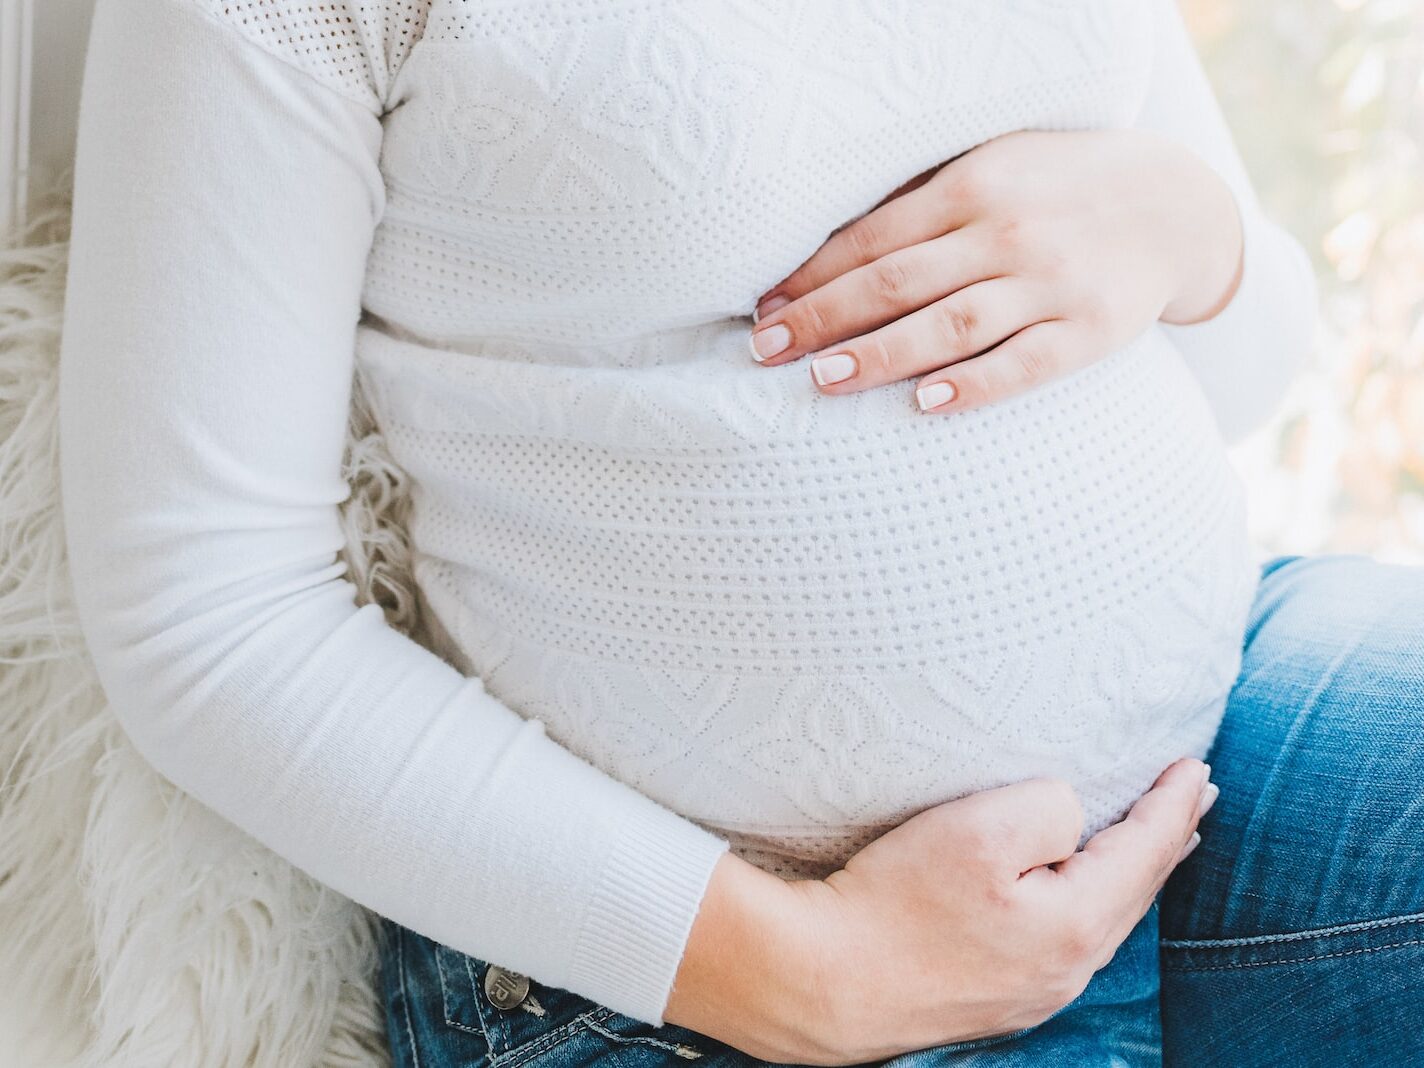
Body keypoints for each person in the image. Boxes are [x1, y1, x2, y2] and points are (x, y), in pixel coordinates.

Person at [56, 0, 1422, 1065]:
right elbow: (206, 613)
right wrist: (807, 972)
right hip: (705, 974)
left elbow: (1237, 375)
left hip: (1214, 752)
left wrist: (1193, 234)